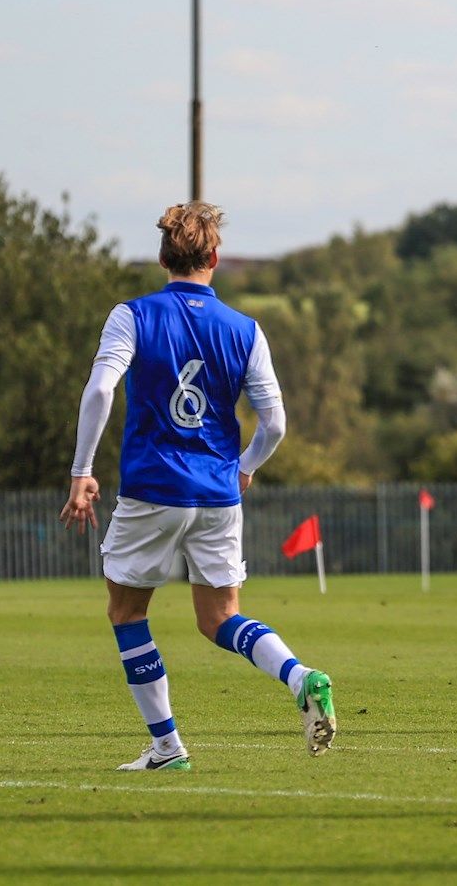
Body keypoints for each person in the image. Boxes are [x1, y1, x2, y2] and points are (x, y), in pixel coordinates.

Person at [60, 201, 336, 771]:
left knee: (126, 611)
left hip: (152, 488)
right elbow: (276, 424)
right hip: (217, 494)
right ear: (214, 258)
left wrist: (82, 470)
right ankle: (299, 676)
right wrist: (245, 467)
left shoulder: (131, 315)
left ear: (163, 257)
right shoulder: (246, 328)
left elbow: (99, 392)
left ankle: (167, 747)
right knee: (219, 618)